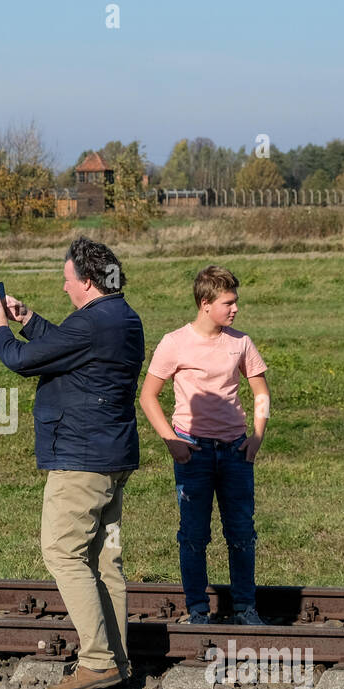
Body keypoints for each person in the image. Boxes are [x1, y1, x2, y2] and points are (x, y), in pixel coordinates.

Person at [0, 237, 145, 689]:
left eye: (68, 279)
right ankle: (117, 661)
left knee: (63, 554)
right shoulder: (122, 317)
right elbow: (71, 350)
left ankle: (96, 661)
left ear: (88, 281)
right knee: (104, 562)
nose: (64, 287)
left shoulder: (90, 323)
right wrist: (31, 321)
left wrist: (1, 327)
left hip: (80, 462)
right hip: (112, 460)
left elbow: (19, 361)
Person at [139, 265, 270, 625]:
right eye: (228, 302)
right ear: (205, 303)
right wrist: (171, 442)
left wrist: (256, 438)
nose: (235, 309)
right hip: (192, 452)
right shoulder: (174, 342)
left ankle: (245, 608)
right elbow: (148, 396)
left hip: (235, 452)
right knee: (193, 536)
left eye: (236, 302)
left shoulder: (240, 342)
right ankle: (198, 610)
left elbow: (261, 391)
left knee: (242, 532)